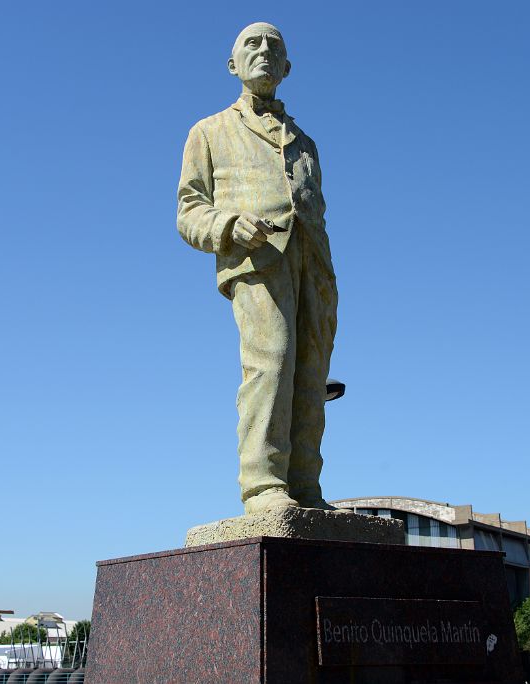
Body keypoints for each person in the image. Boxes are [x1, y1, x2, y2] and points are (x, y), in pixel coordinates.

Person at [177, 22, 340, 514]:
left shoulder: (306, 142)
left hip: (314, 262)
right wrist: (227, 226)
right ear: (233, 65)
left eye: (274, 46)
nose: (264, 51)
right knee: (271, 363)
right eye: (252, 43)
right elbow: (188, 210)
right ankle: (262, 484)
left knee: (311, 374)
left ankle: (304, 485)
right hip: (256, 259)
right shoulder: (208, 131)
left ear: (287, 68)